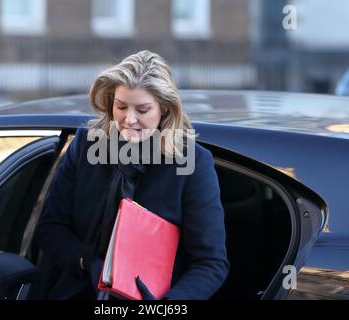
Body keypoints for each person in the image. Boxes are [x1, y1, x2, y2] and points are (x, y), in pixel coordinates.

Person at [34, 50, 229, 300]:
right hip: (77, 290)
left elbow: (210, 263)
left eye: (143, 109)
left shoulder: (191, 163)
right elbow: (50, 228)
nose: (129, 119)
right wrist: (88, 263)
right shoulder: (86, 146)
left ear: (164, 110)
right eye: (121, 106)